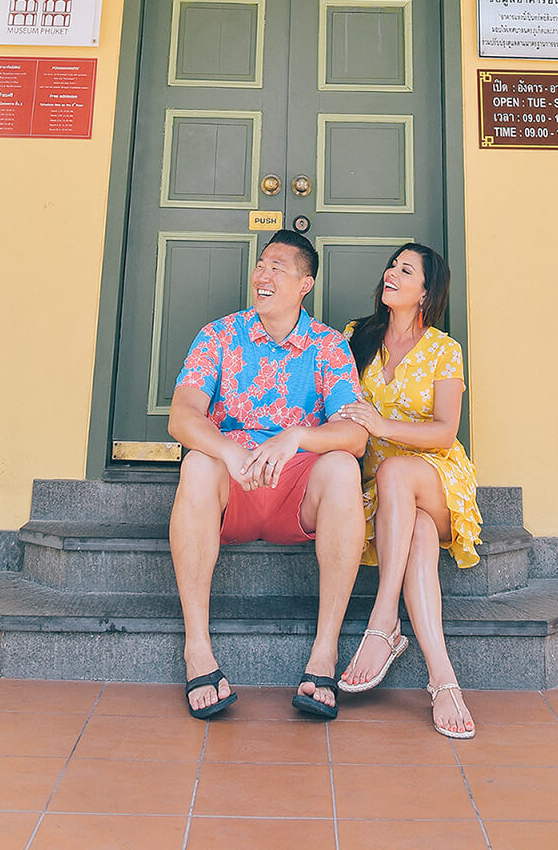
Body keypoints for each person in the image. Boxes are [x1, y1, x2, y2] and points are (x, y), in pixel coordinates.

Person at [167, 229, 367, 722]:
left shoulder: (329, 346)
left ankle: (324, 654)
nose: (263, 274)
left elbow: (354, 435)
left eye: (278, 267)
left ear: (305, 284)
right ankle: (198, 649)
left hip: (295, 493)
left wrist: (296, 437)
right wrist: (229, 450)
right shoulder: (219, 335)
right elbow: (182, 416)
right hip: (232, 488)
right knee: (196, 462)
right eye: (261, 265)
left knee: (342, 467)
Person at [336, 242, 481, 738]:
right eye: (391, 266)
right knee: (415, 529)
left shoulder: (444, 349)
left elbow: (445, 431)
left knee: (400, 472)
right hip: (384, 493)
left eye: (405, 269)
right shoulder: (356, 337)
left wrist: (380, 424)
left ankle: (383, 620)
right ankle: (444, 680)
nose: (390, 274)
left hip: (438, 479)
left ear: (426, 291)